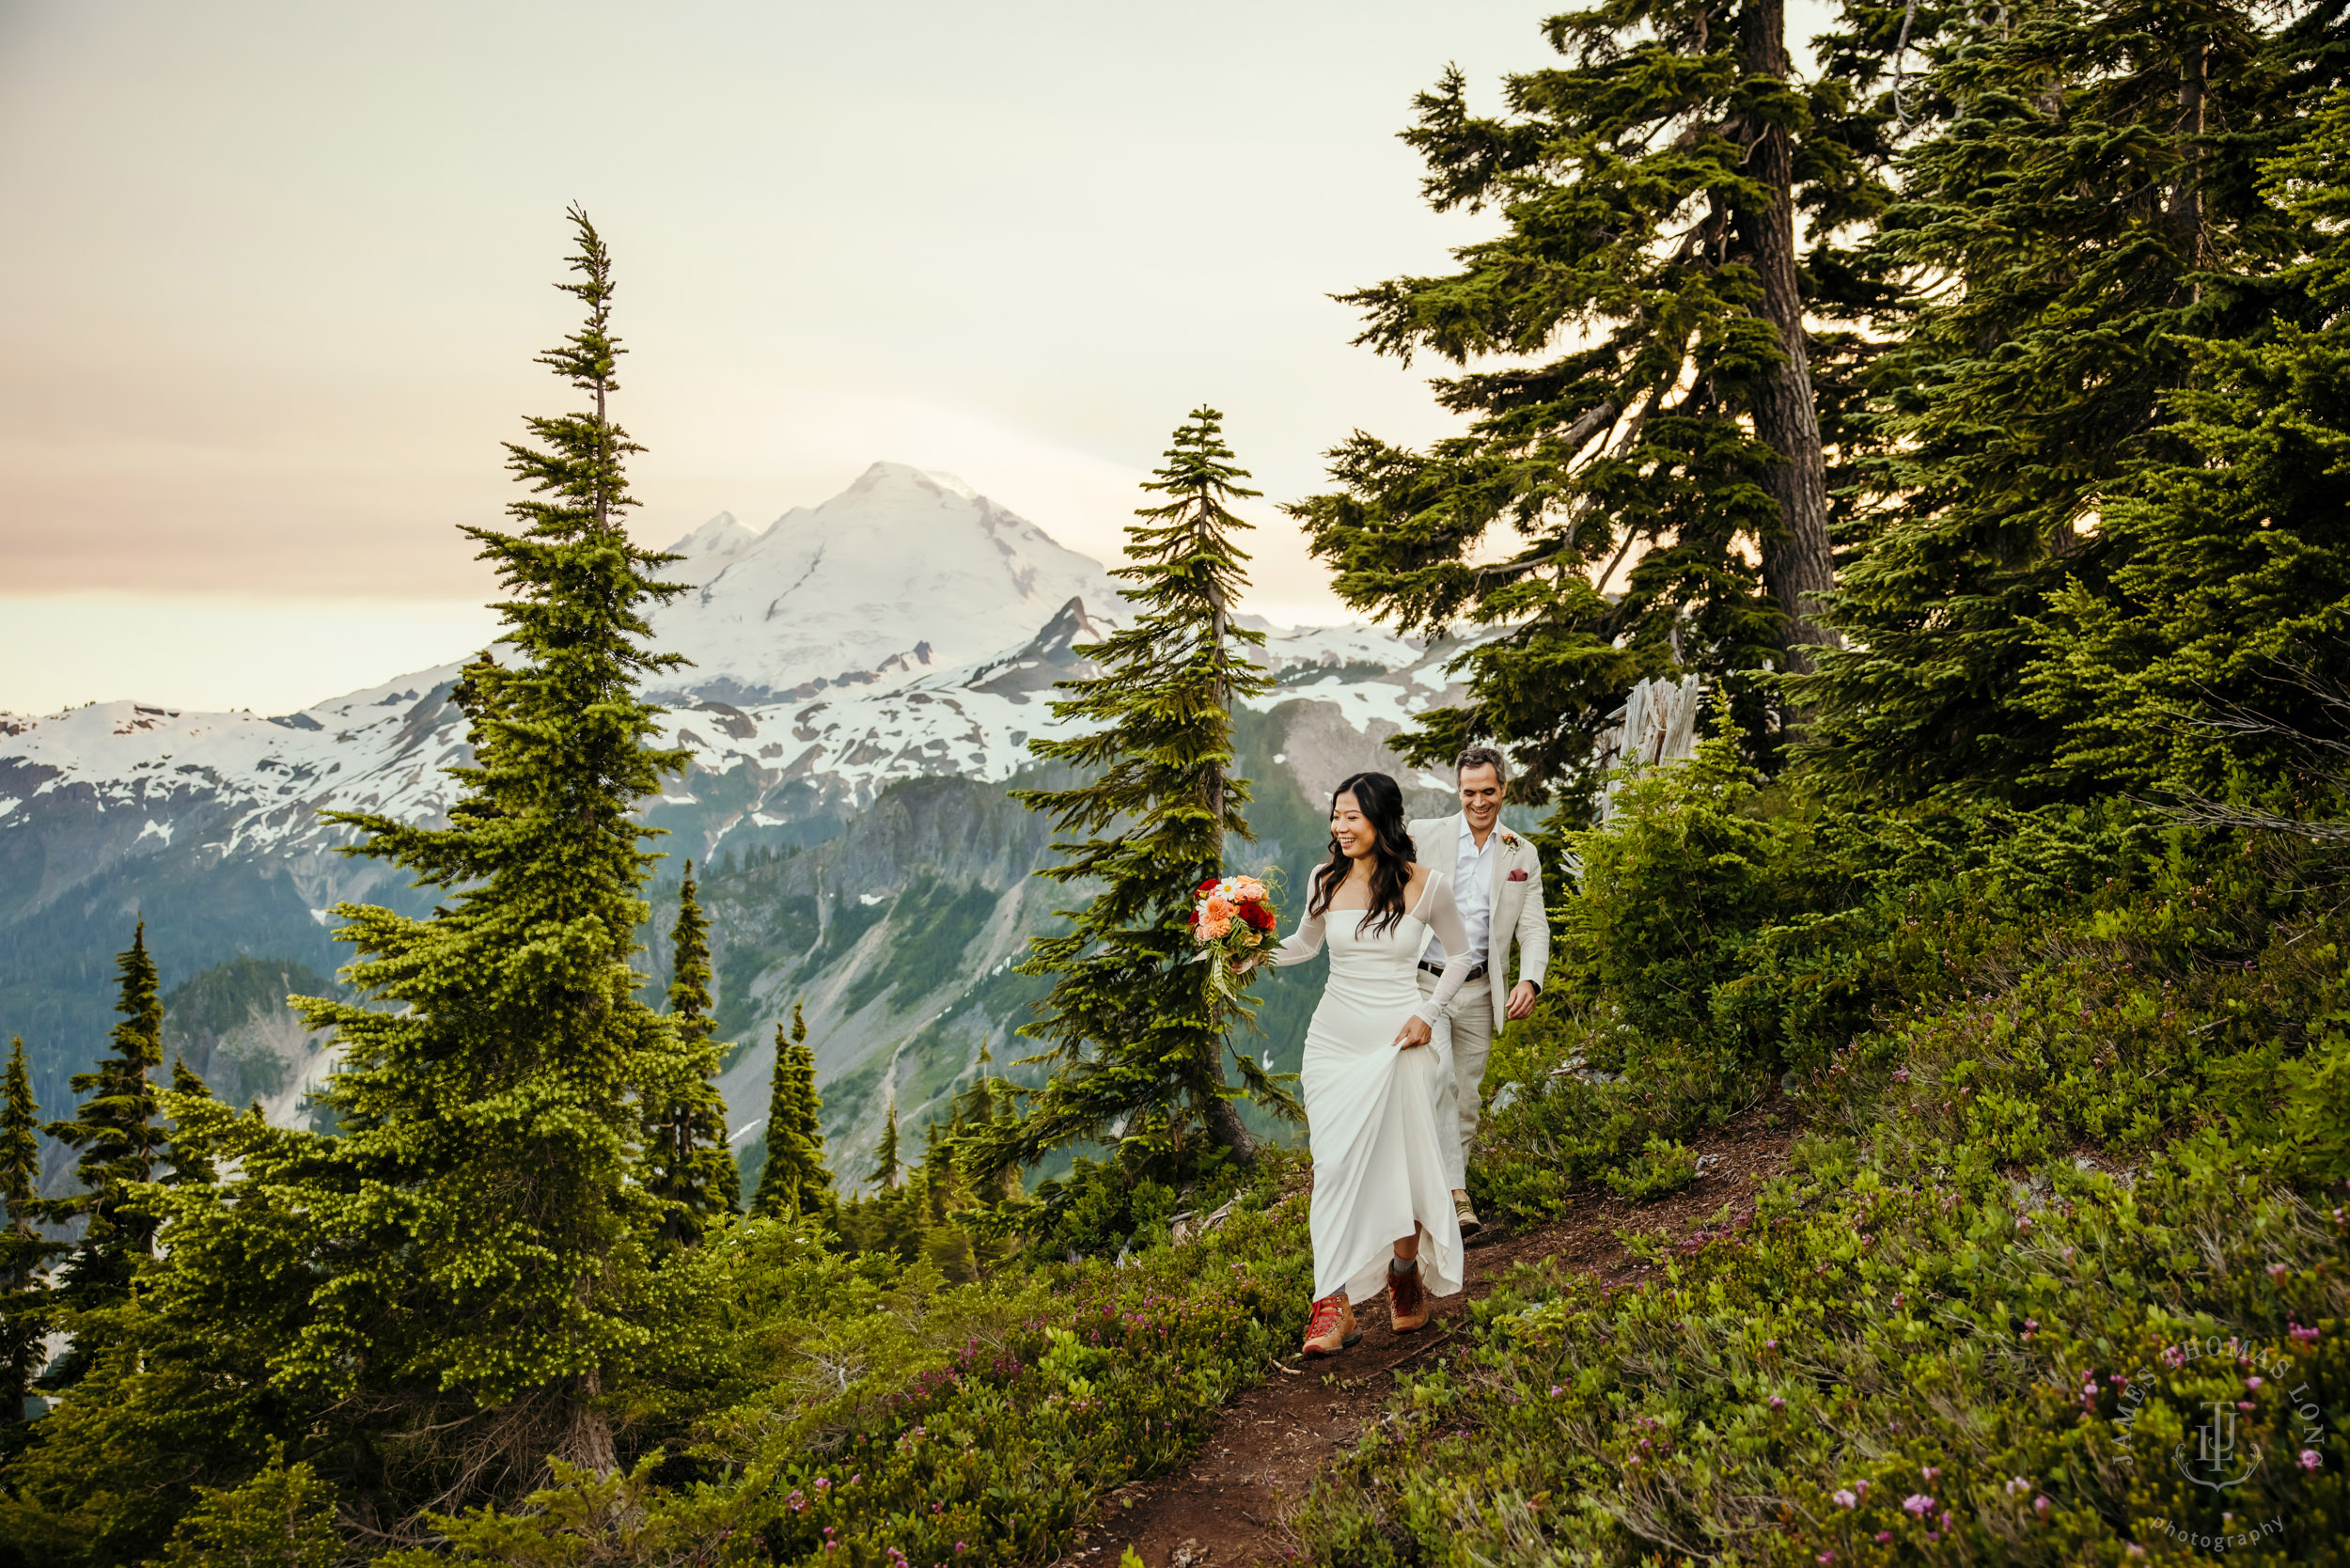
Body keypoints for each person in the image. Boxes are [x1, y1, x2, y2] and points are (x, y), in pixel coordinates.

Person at [1261, 770, 1480, 1357]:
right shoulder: (1323, 879)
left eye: (1350, 816)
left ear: (1381, 819)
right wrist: (1249, 951)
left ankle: (1404, 1275)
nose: (1339, 826)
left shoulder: (1425, 886)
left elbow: (1462, 956)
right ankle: (1331, 1304)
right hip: (1332, 1040)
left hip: (1401, 1039)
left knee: (1401, 1166)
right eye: (1335, 816)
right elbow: (1305, 945)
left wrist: (1430, 1014)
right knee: (1332, 1167)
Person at [1408, 745, 1550, 1238]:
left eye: (1488, 791)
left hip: (1481, 990)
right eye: (1470, 792)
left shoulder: (1521, 853)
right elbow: (1371, 862)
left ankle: (1450, 1193)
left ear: (1503, 789)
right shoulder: (1424, 836)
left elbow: (1533, 927)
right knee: (1441, 1076)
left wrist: (1531, 979)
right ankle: (1453, 1198)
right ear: (1458, 790)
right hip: (1426, 981)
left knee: (1465, 1098)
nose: (1479, 802)